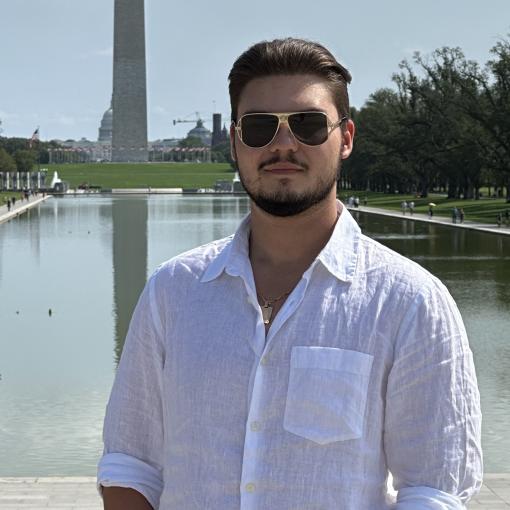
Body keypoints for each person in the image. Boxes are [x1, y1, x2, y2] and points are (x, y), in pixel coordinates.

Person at [97, 38, 482, 510]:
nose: (283, 144)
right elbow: (130, 463)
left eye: (308, 125)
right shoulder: (172, 291)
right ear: (235, 141)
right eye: (260, 127)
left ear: (346, 138)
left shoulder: (410, 302)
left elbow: (434, 489)